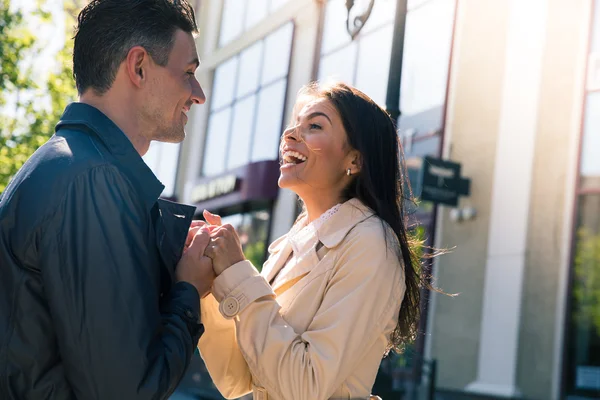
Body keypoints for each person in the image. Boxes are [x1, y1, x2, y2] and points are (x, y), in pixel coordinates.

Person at [0, 1, 215, 399]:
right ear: (138, 67)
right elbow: (124, 392)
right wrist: (188, 291)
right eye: (188, 74)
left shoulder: (71, 165)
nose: (197, 95)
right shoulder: (93, 180)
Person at [198, 82, 423, 400]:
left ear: (355, 161)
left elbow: (306, 386)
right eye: (294, 124)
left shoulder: (371, 243)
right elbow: (239, 378)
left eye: (314, 125)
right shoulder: (289, 244)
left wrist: (237, 271)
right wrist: (213, 279)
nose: (290, 134)